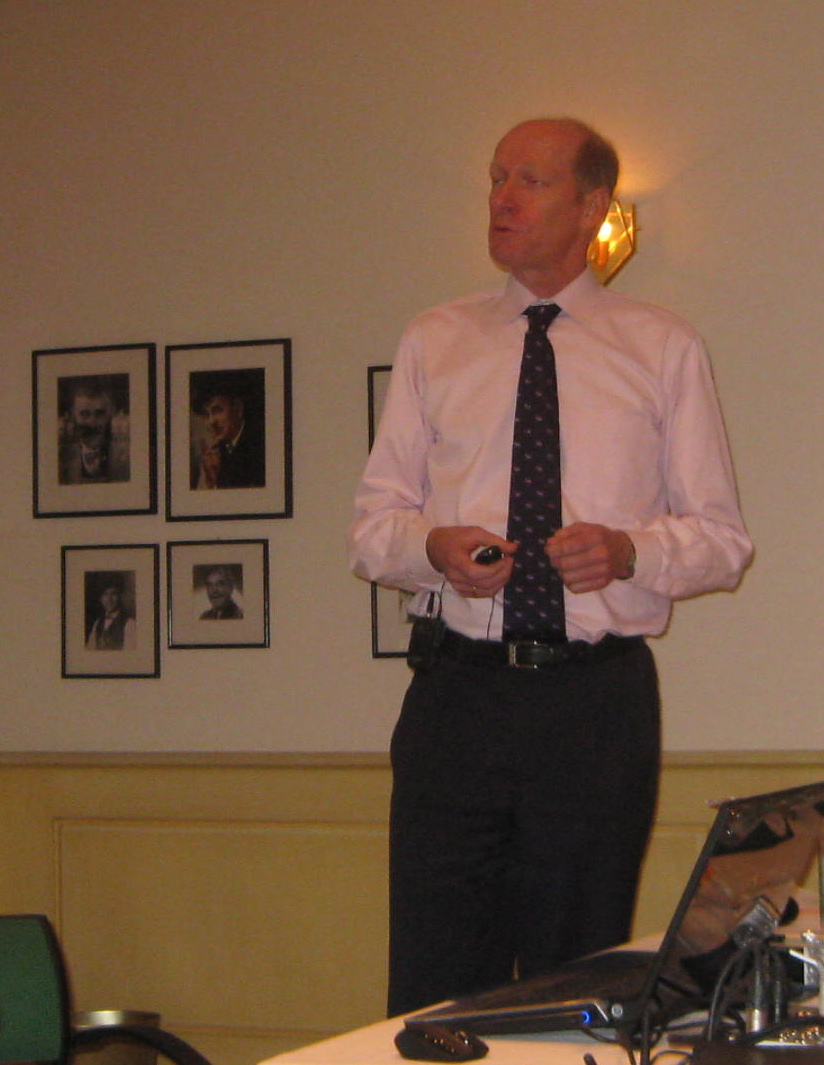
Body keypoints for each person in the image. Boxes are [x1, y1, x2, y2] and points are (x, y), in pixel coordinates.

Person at [347, 117, 753, 1017]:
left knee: (576, 982)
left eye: (529, 180)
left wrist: (629, 551)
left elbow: (724, 541)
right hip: (456, 697)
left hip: (592, 706)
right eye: (496, 178)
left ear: (593, 205)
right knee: (433, 988)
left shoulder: (661, 346)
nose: (502, 198)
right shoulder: (435, 340)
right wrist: (432, 549)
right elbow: (373, 529)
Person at [190, 371, 266, 490]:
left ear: (238, 408)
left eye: (217, 410)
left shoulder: (260, 447)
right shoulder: (219, 450)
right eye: (206, 414)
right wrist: (212, 479)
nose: (211, 422)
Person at [59, 376, 130, 485]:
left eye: (100, 414)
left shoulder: (127, 457)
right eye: (84, 414)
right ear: (73, 416)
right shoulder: (61, 458)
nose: (92, 423)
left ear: (111, 414)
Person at [86, 576, 136, 650]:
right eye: (105, 594)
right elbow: (90, 649)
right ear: (101, 599)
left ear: (120, 596)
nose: (109, 599)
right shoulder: (97, 623)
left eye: (113, 594)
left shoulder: (129, 623)